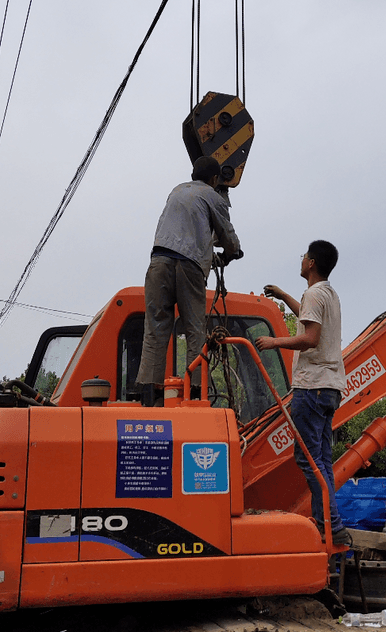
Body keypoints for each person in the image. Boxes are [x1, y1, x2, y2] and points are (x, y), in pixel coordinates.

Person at [257, 241, 350, 544]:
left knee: (309, 460)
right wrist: (284, 296)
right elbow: (311, 321)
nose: (301, 261)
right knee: (322, 460)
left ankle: (331, 525)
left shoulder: (313, 294)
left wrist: (274, 342)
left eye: (303, 257)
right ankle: (330, 522)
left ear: (310, 263)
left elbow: (310, 338)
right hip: (331, 387)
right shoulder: (329, 294)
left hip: (311, 387)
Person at [135, 156, 242, 405]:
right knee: (194, 330)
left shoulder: (177, 191)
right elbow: (226, 234)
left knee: (155, 329)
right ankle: (195, 392)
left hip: (159, 262)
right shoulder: (213, 197)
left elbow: (190, 231)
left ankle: (149, 392)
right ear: (215, 179)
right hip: (188, 267)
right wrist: (233, 251)